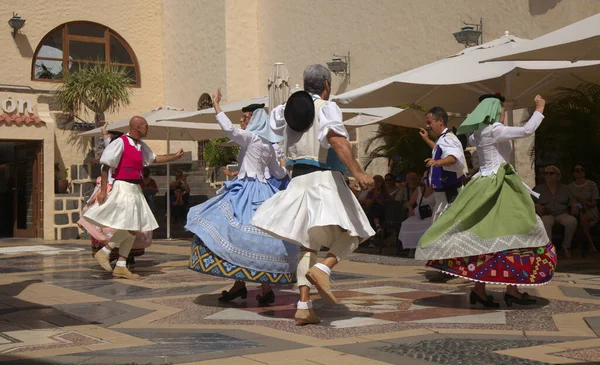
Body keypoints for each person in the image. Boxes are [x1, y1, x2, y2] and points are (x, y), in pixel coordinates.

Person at [250, 64, 375, 325]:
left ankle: (304, 306)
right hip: (323, 179)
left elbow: (271, 130)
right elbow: (336, 139)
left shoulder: (284, 111)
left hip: (298, 181)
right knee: (358, 231)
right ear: (327, 85)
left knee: (308, 245)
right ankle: (323, 268)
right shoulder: (326, 107)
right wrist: (359, 173)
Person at [417, 94, 555, 308]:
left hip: (482, 183)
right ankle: (510, 291)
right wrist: (540, 109)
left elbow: (471, 140)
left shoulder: (478, 132)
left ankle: (483, 290)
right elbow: (526, 130)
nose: (501, 111)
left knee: (487, 237)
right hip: (499, 186)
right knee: (519, 231)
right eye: (498, 108)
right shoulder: (495, 129)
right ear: (492, 110)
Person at [186, 91, 299, 306]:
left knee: (233, 232)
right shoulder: (269, 145)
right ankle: (253, 287)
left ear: (255, 119)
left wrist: (217, 106)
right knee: (258, 238)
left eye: (246, 117)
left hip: (247, 189)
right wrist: (292, 175)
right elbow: (278, 173)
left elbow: (229, 129)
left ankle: (255, 287)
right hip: (263, 191)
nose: (242, 121)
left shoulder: (252, 137)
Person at [84, 116, 184, 279]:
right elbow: (106, 165)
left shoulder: (140, 145)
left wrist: (174, 157)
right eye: (146, 126)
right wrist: (102, 190)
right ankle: (105, 251)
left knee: (133, 227)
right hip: (123, 187)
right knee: (130, 227)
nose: (148, 129)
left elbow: (154, 158)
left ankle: (121, 265)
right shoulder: (120, 142)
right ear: (137, 127)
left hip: (135, 188)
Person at [419, 107, 468, 221]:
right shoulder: (443, 139)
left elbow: (452, 158)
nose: (427, 126)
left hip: (450, 194)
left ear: (440, 121)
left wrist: (437, 162)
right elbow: (438, 149)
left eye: (429, 122)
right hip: (444, 196)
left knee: (448, 231)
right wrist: (426, 139)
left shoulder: (448, 139)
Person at [534, 165, 579, 258]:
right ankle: (549, 249)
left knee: (572, 221)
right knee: (545, 222)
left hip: (562, 213)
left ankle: (566, 247)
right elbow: (530, 202)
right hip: (547, 214)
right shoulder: (538, 188)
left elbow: (573, 201)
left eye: (551, 173)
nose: (548, 175)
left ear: (557, 176)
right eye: (546, 173)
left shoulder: (565, 188)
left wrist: (575, 206)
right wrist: (537, 205)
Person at [399, 172, 435, 258]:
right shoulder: (419, 189)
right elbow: (410, 203)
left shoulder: (437, 190)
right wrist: (410, 210)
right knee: (407, 224)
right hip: (419, 214)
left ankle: (424, 248)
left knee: (430, 225)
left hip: (432, 214)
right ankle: (412, 247)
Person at [569, 163, 599, 255]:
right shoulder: (570, 187)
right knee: (581, 215)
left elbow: (594, 203)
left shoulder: (591, 184)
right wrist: (580, 206)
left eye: (582, 170)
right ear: (574, 173)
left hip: (591, 210)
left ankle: (586, 245)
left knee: (583, 217)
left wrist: (585, 203)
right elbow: (571, 202)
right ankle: (590, 245)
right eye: (577, 171)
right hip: (577, 209)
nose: (580, 172)